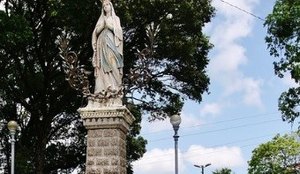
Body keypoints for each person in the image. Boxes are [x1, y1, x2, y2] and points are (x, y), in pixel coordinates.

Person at [92, 0, 123, 96]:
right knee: (101, 66)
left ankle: (116, 87)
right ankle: (103, 88)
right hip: (101, 45)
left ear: (111, 6)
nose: (105, 7)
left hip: (112, 44)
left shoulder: (115, 18)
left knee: (113, 63)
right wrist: (102, 26)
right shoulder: (101, 19)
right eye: (104, 5)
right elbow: (95, 32)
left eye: (107, 5)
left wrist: (108, 25)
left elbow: (119, 32)